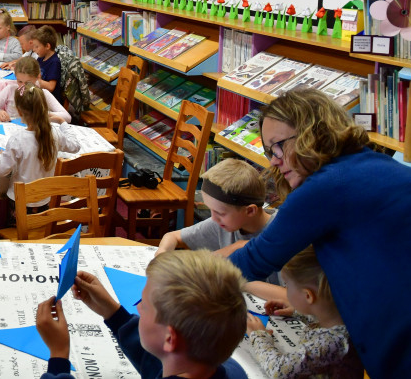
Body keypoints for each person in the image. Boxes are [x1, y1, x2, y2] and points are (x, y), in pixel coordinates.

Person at [227, 88, 411, 379]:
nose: (274, 161)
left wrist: (185, 282)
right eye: (269, 152)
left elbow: (256, 259)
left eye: (277, 147)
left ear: (309, 133)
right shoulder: (373, 165)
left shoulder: (328, 186)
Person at [36, 250, 248, 379]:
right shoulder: (228, 368)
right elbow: (159, 360)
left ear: (169, 338)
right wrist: (114, 313)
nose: (137, 308)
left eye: (144, 305)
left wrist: (59, 354)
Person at [245, 245, 364, 379]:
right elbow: (318, 320)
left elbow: (280, 371)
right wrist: (298, 310)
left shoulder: (331, 343)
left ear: (308, 296)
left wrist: (258, 336)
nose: (285, 289)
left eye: (287, 285)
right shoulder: (342, 321)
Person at [156, 158, 274, 258]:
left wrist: (229, 252)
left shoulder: (281, 235)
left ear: (250, 211)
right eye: (210, 210)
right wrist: (162, 255)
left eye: (220, 213)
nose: (213, 218)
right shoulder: (222, 222)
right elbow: (172, 236)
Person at [0, 83, 80, 211]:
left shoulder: (18, 139)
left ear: (19, 111)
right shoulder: (54, 133)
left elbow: (2, 170)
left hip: (19, 201)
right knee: (39, 225)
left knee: (16, 227)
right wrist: (62, 122)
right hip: (44, 199)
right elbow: (75, 146)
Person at [0, 56, 70, 123]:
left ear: (38, 77)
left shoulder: (42, 93)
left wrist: (43, 115)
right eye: (20, 81)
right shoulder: (10, 90)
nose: (23, 86)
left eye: (28, 82)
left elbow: (67, 117)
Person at [29, 26, 62, 99]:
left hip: (50, 99)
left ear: (47, 46)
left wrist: (35, 80)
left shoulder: (54, 62)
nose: (34, 50)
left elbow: (51, 87)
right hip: (40, 94)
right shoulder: (41, 57)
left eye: (37, 47)